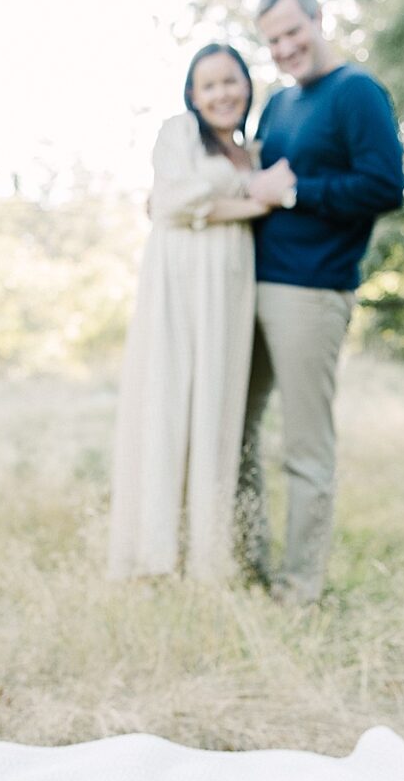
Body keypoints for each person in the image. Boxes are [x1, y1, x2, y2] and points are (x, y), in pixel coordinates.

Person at [238, 0, 404, 606]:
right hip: (250, 285)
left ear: (317, 18)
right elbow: (252, 181)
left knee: (305, 448)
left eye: (291, 31)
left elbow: (386, 187)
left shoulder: (356, 92)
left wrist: (299, 192)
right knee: (237, 431)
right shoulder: (278, 104)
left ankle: (299, 587)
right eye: (272, 40)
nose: (284, 48)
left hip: (310, 292)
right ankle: (247, 564)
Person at [107, 44, 279, 581]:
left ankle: (206, 557)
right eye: (209, 85)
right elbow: (171, 203)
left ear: (247, 86)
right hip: (180, 283)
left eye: (231, 81)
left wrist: (239, 196)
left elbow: (192, 205)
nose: (222, 94)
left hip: (229, 288)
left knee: (216, 406)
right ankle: (155, 553)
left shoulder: (252, 149)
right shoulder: (178, 133)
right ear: (192, 94)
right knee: (168, 401)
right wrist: (254, 199)